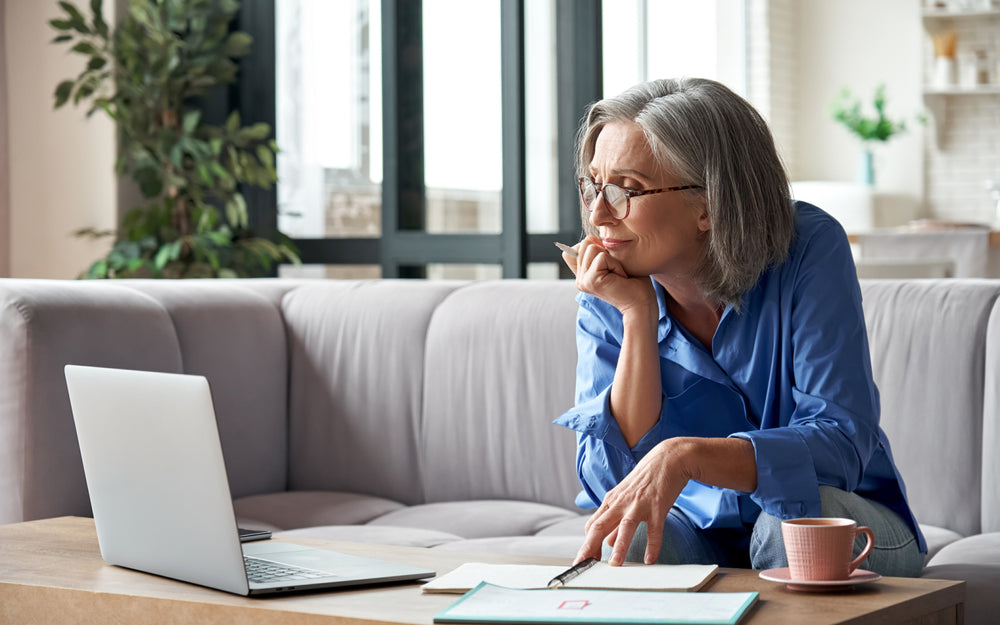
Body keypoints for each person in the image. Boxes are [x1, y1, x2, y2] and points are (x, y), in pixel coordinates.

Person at [554, 77, 926, 577]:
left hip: (843, 517)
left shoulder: (809, 248)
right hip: (699, 530)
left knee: (789, 526)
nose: (599, 213)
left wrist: (688, 456)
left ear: (708, 203)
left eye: (627, 190)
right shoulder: (611, 282)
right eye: (593, 185)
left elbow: (841, 443)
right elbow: (612, 482)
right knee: (633, 536)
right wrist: (637, 317)